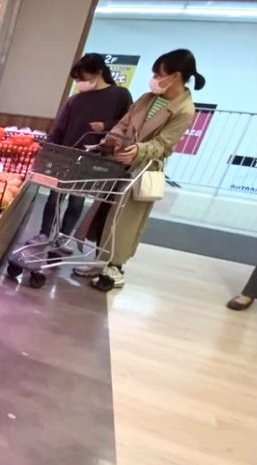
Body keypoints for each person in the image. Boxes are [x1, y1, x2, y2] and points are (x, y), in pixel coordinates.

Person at [74, 49, 205, 290]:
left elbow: (163, 144)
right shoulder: (148, 98)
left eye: (158, 74)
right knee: (105, 211)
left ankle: (116, 267)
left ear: (176, 76)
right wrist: (110, 141)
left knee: (126, 220)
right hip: (118, 162)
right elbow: (125, 123)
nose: (154, 78)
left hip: (142, 170)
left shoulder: (185, 110)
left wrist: (138, 150)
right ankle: (101, 259)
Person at [33, 54, 132, 251]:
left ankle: (64, 238)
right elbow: (59, 128)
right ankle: (44, 233)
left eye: (83, 78)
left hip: (94, 158)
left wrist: (106, 126)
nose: (80, 83)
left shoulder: (120, 95)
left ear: (99, 72)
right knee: (55, 197)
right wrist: (49, 148)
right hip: (67, 156)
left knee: (77, 200)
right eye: (77, 79)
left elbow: (128, 123)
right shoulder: (74, 100)